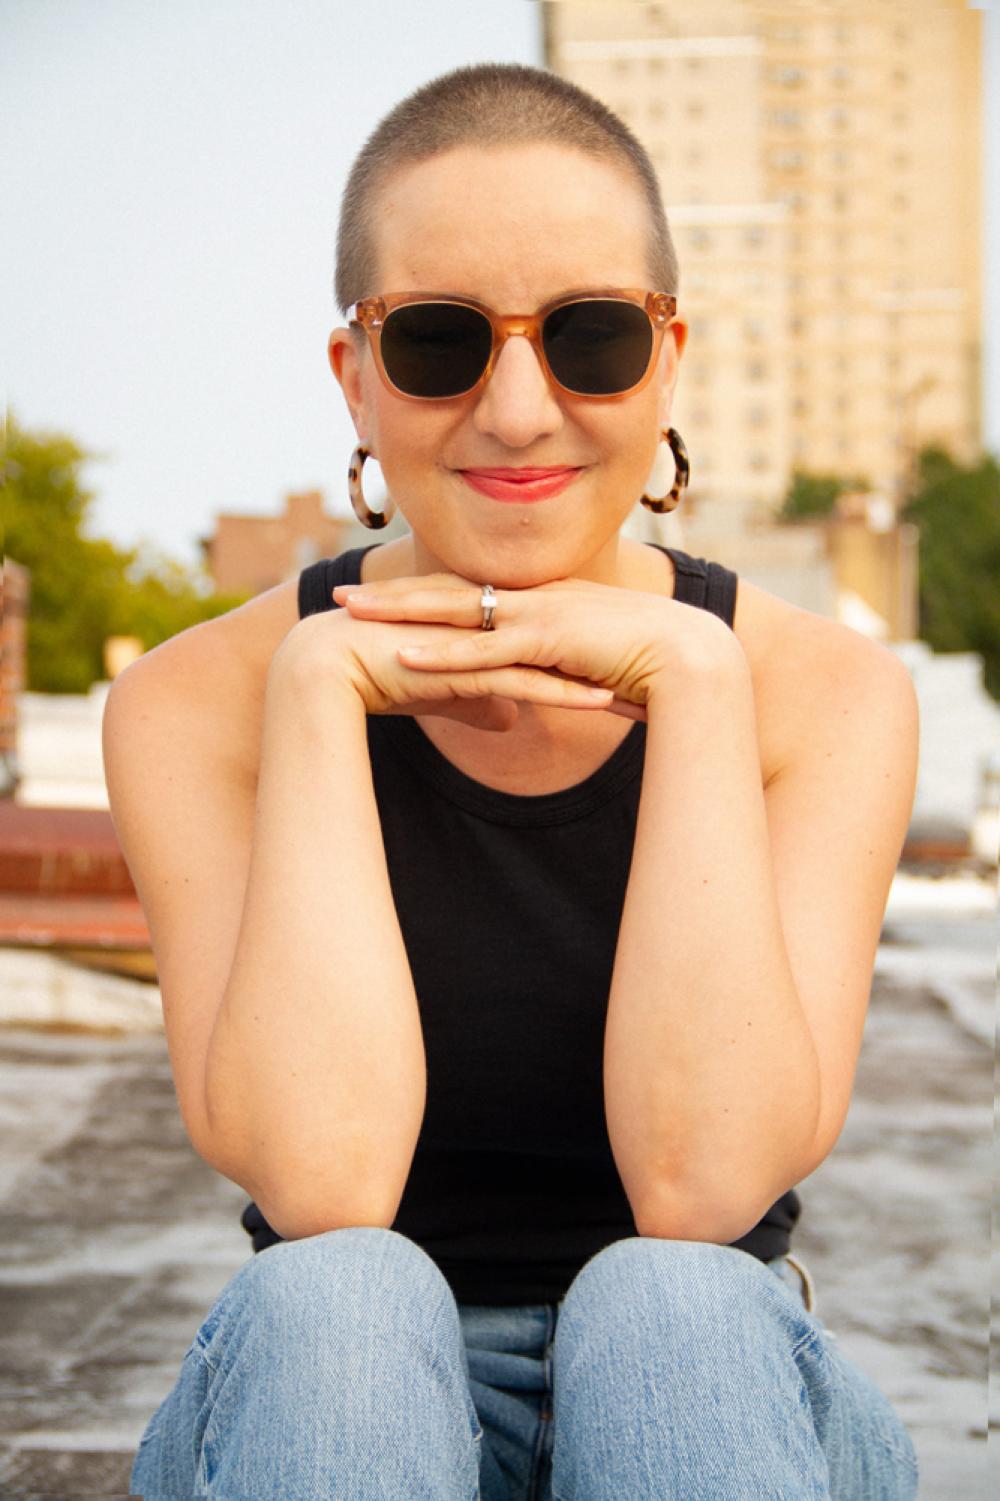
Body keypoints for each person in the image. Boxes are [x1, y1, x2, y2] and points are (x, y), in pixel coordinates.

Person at [105, 62, 921, 1501]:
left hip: (707, 1398)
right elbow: (327, 1185)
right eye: (440, 343)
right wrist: (320, 683)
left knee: (667, 1300)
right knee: (343, 1293)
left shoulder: (819, 693)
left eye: (593, 338)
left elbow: (702, 1187)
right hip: (337, 1414)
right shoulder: (197, 702)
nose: (522, 410)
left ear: (667, 356)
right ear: (355, 373)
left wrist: (695, 684)